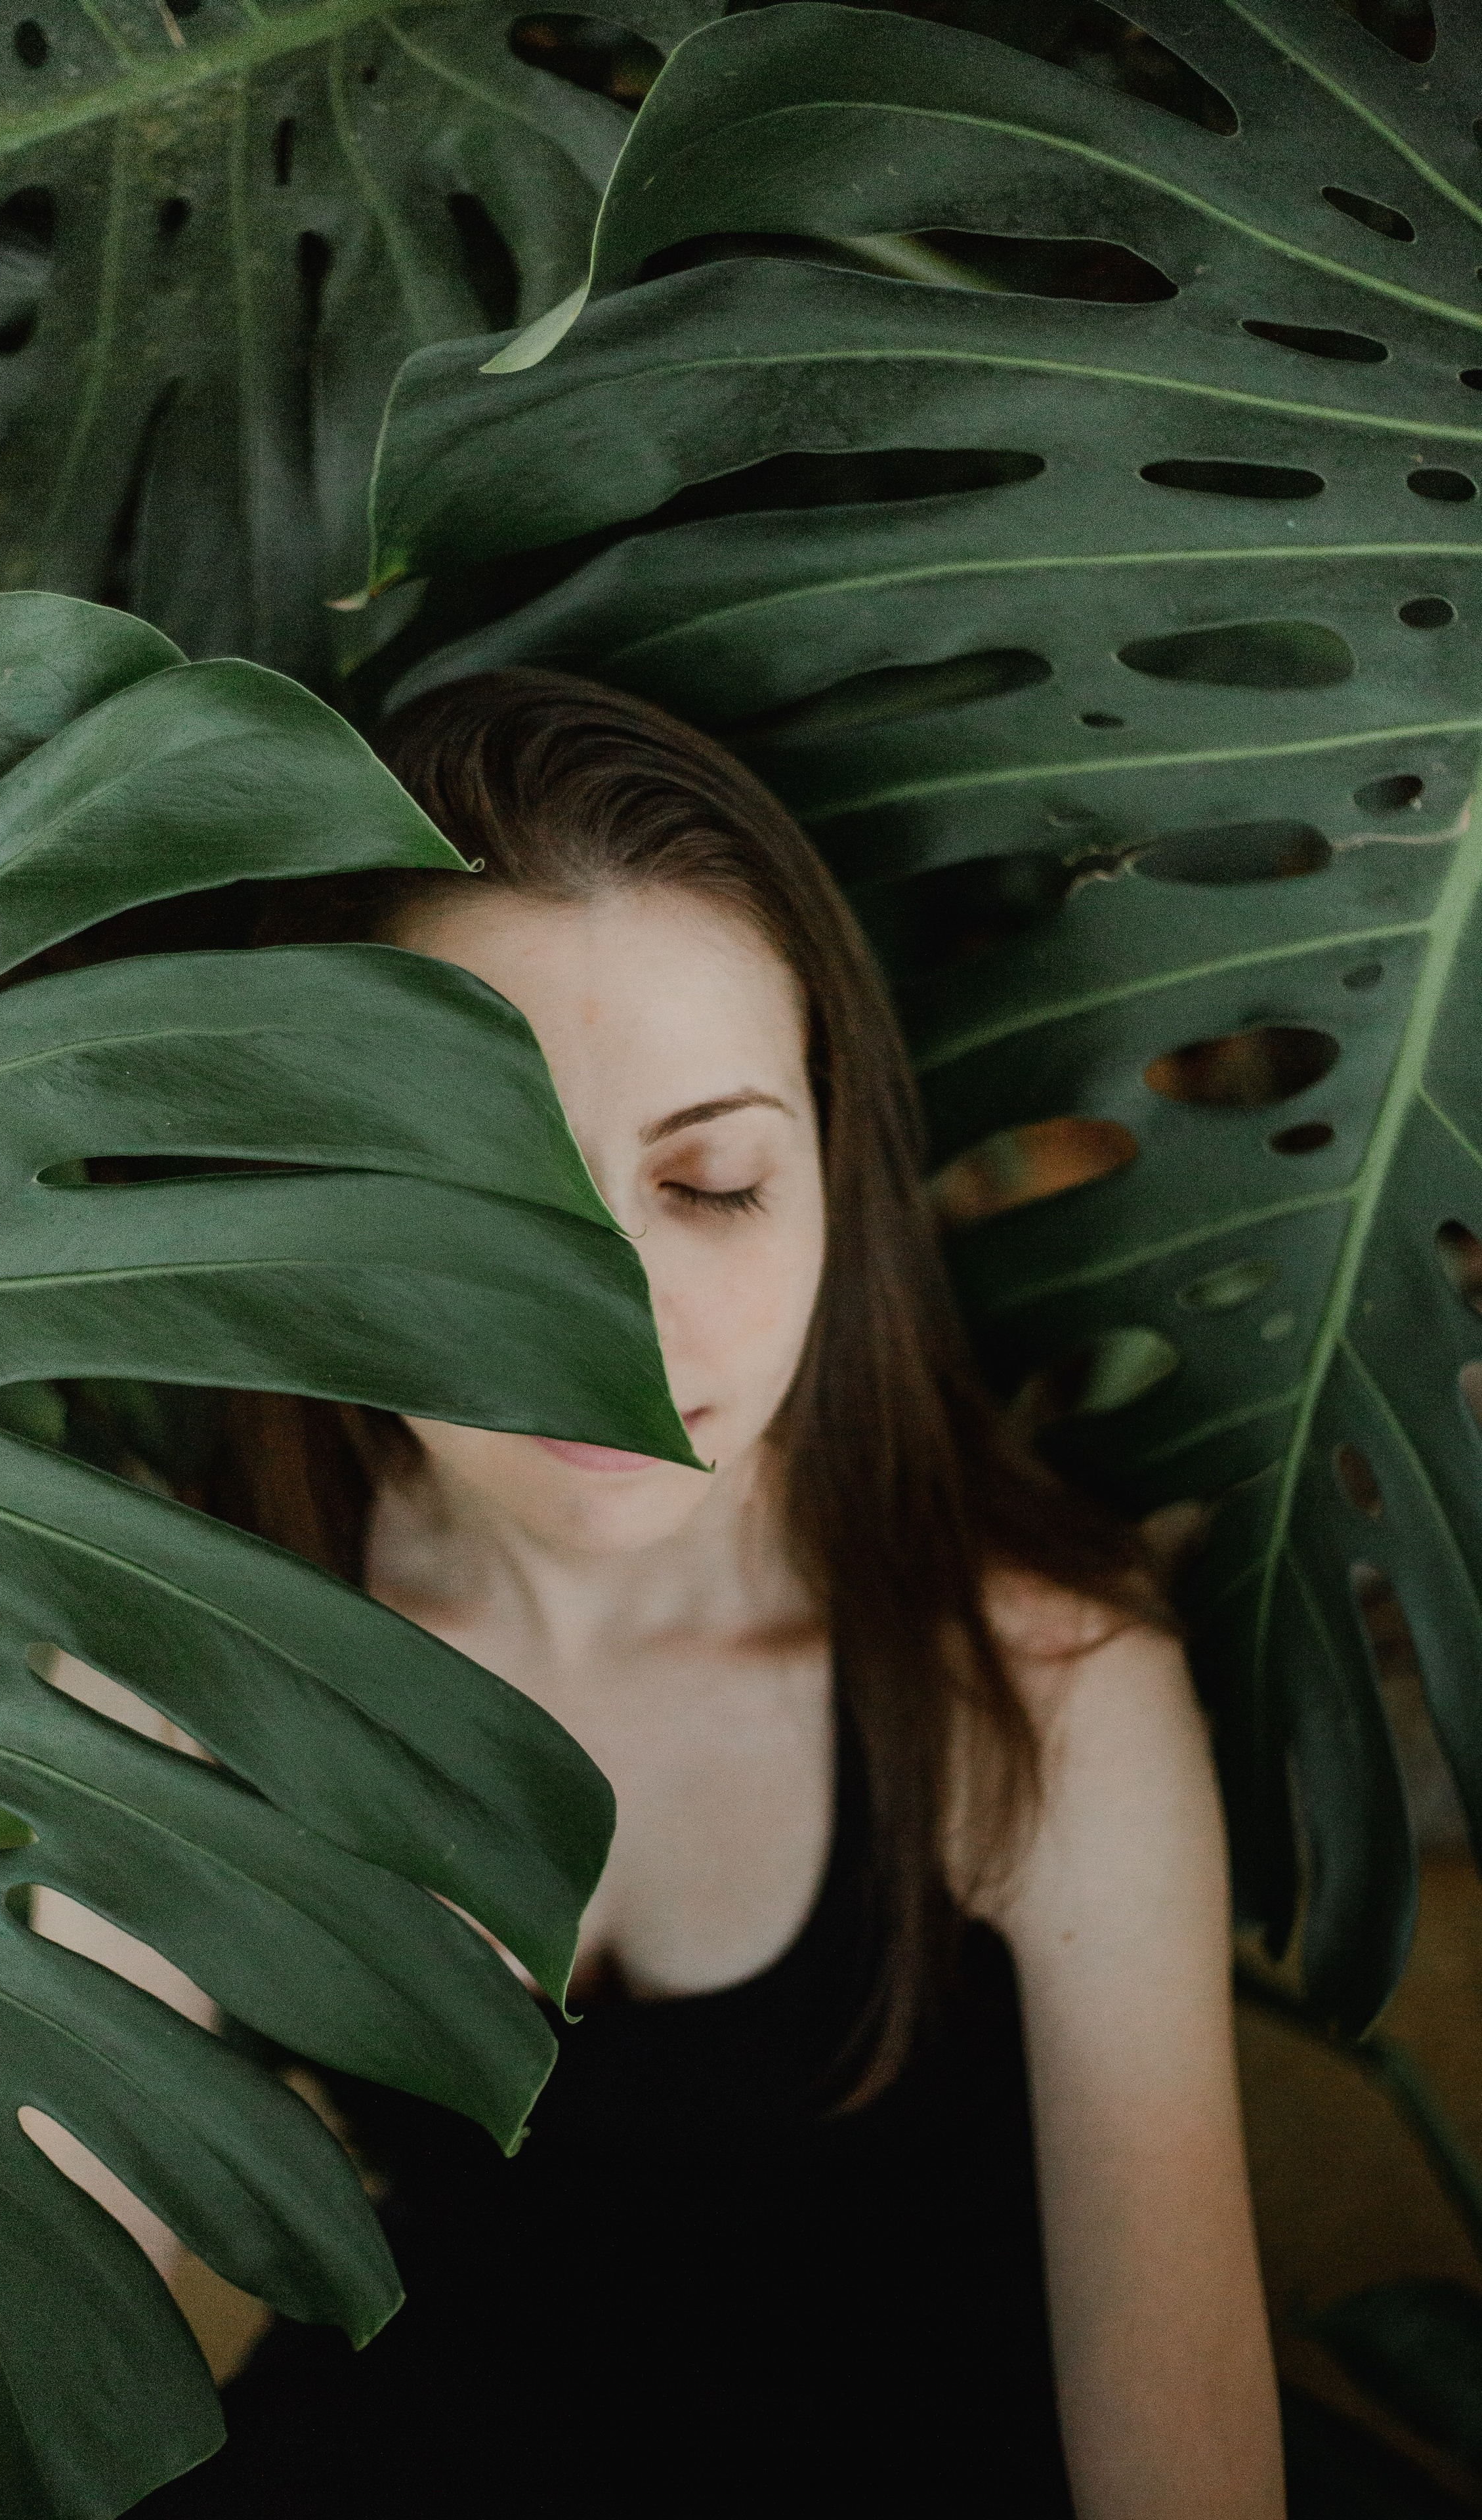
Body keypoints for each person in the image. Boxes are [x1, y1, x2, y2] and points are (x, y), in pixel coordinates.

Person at [139, 671, 1282, 2517]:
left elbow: (1185, 2467)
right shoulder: (199, 1638)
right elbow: (16, 2265)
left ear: (835, 1178)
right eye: (493, 1199)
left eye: (715, 1181)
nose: (616, 1327)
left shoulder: (1043, 1684)